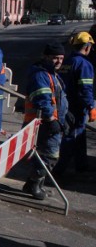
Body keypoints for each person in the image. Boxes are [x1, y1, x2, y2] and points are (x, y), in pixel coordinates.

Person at [21, 42, 68, 200]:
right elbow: (42, 99)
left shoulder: (52, 74)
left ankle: (33, 184)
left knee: (45, 155)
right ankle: (34, 184)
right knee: (49, 156)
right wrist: (51, 119)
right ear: (46, 57)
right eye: (55, 58)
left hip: (51, 122)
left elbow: (58, 99)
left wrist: (66, 115)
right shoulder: (41, 75)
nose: (59, 61)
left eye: (61, 58)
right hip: (43, 123)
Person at [54, 31, 96, 177]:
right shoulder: (84, 64)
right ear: (87, 47)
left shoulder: (66, 61)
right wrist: (91, 106)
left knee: (79, 134)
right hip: (77, 106)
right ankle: (59, 169)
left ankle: (81, 164)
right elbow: (85, 88)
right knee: (72, 136)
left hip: (64, 103)